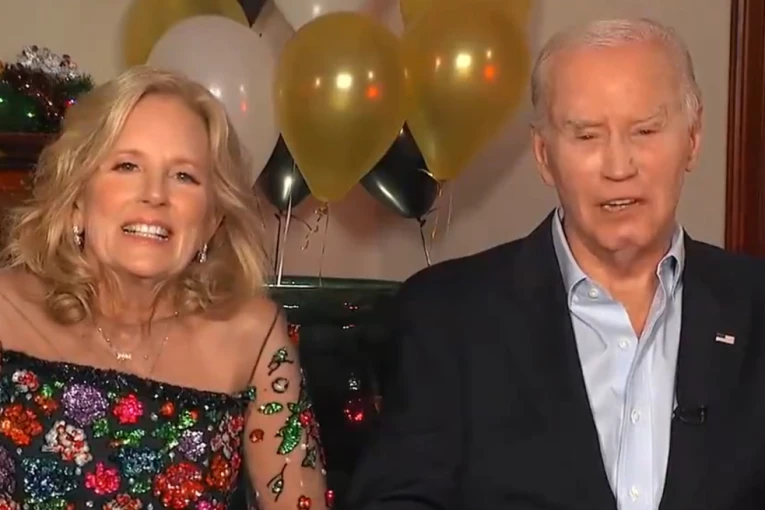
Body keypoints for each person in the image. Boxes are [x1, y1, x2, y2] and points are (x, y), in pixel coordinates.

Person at [346, 17, 765, 510]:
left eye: (646, 131)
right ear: (544, 155)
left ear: (692, 139)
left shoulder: (754, 306)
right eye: (587, 137)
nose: (619, 167)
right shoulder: (448, 316)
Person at [0, 66, 329, 509]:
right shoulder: (5, 313)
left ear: (212, 219)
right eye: (127, 166)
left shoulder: (252, 338)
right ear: (77, 199)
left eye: (184, 176)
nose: (155, 195)